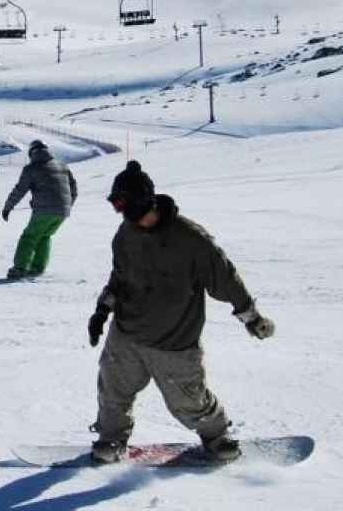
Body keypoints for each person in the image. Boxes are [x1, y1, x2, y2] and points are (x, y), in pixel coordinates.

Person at [86, 161, 275, 464]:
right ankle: (111, 440)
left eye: (134, 211)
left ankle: (217, 437)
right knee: (113, 390)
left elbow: (224, 278)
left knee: (188, 401)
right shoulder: (126, 233)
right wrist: (102, 310)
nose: (131, 219)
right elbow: (119, 276)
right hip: (127, 332)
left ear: (148, 202)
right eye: (124, 213)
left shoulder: (190, 238)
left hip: (173, 340)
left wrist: (251, 317)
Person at [2, 139, 78, 279]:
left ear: (32, 153)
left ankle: (19, 268)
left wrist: (8, 207)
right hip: (63, 211)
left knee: (29, 237)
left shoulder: (31, 168)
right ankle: (38, 267)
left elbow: (19, 190)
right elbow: (73, 189)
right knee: (44, 236)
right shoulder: (63, 166)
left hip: (45, 210)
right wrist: (66, 205)